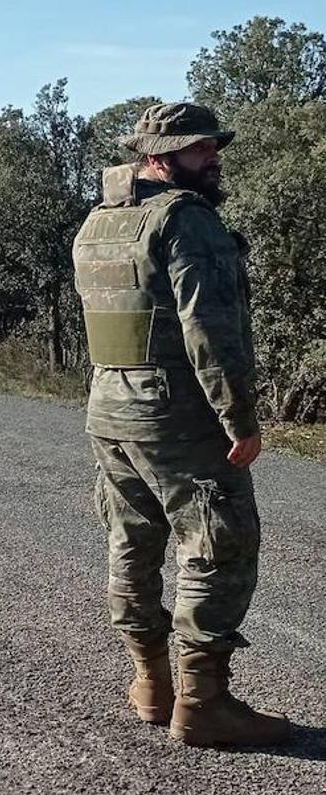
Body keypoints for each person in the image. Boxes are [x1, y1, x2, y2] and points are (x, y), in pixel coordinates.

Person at [72, 102, 290, 747]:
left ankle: (150, 684)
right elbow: (210, 330)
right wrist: (239, 417)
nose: (213, 157)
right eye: (199, 150)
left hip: (110, 405)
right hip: (178, 413)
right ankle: (204, 703)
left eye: (213, 146)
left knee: (131, 541)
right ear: (158, 156)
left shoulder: (99, 222)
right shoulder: (185, 221)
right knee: (217, 547)